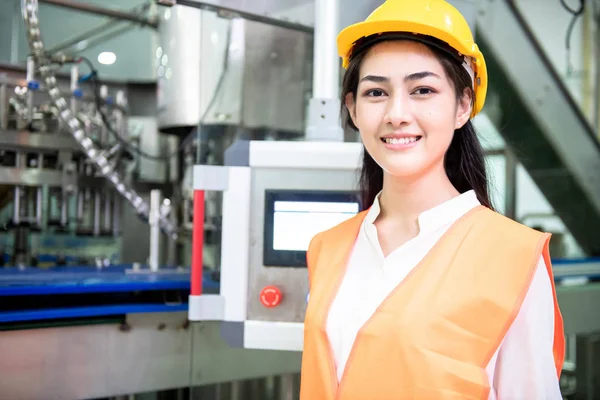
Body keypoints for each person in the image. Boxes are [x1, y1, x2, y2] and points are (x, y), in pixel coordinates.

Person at [300, 1, 565, 399]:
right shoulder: (328, 247)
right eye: (376, 92)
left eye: (422, 90)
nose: (396, 113)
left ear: (462, 105)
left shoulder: (511, 256)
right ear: (353, 109)